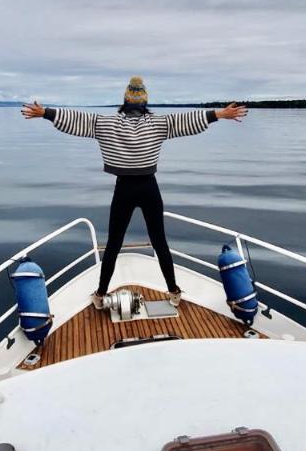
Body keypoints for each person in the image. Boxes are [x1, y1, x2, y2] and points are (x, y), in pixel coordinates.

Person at [22, 76, 248, 308]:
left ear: (125, 100)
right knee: (160, 242)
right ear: (145, 102)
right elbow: (187, 120)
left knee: (113, 244)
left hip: (124, 189)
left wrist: (45, 113)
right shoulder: (159, 124)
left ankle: (100, 295)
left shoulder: (105, 123)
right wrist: (219, 114)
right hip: (149, 188)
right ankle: (173, 292)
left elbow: (77, 119)